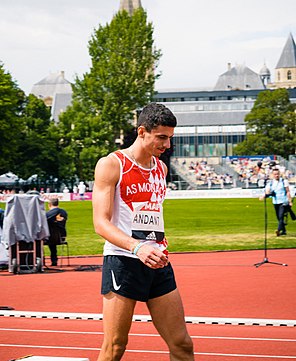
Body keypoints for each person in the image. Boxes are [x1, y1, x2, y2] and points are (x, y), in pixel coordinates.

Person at [92, 102, 194, 361]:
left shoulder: (161, 168)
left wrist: (153, 247)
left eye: (170, 138)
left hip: (157, 261)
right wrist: (137, 247)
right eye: (161, 137)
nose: (167, 145)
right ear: (141, 132)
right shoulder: (112, 164)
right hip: (124, 261)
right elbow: (101, 223)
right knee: (115, 347)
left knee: (182, 344)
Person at [263, 168, 294, 236]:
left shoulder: (284, 181)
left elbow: (287, 191)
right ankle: (284, 231)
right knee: (278, 217)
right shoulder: (270, 183)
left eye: (277, 174)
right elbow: (267, 191)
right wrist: (265, 195)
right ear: (272, 175)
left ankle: (278, 230)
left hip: (283, 201)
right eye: (275, 174)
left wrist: (290, 201)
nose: (276, 175)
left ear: (279, 174)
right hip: (275, 202)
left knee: (281, 216)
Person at [46, 198, 68, 266]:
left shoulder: (48, 214)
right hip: (62, 236)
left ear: (49, 204)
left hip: (50, 237)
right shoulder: (64, 212)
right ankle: (54, 259)